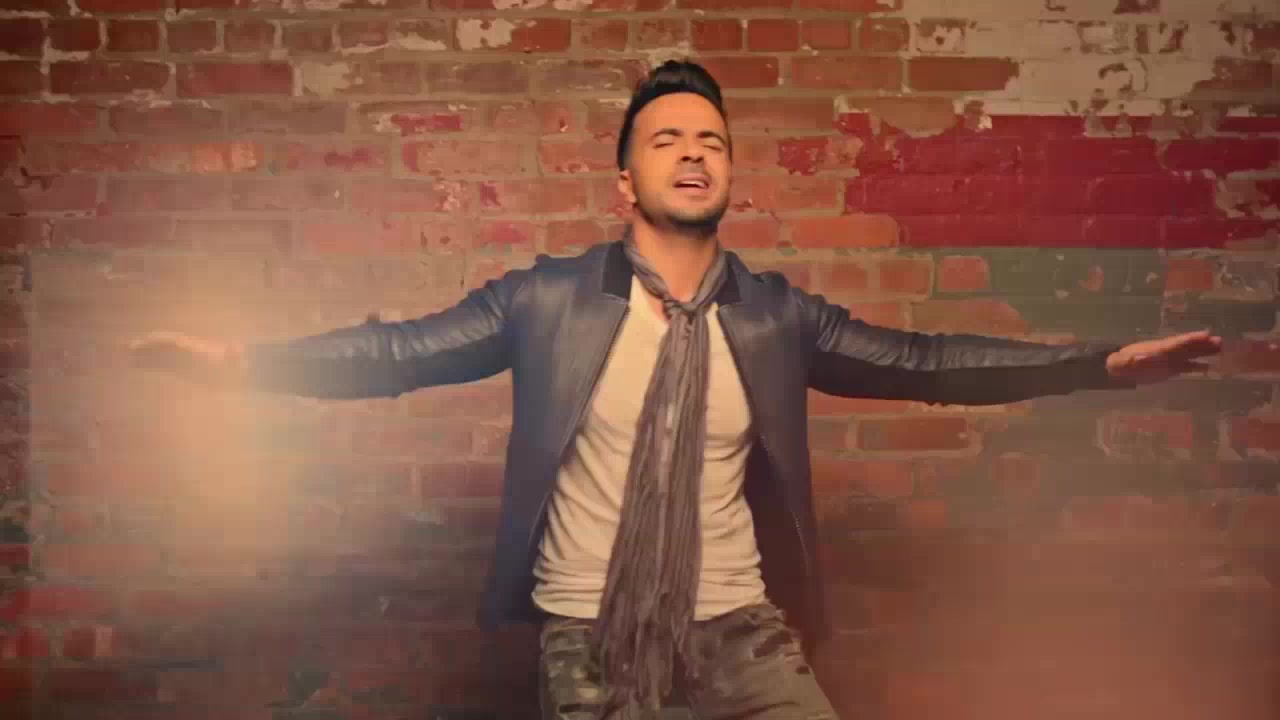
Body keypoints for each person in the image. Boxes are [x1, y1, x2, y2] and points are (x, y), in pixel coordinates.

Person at [130, 60, 1222, 719]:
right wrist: (242, 365)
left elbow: (925, 362)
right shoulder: (543, 300)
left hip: (743, 634)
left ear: (729, 172)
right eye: (666, 140)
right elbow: (397, 354)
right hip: (591, 641)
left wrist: (1094, 365)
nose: (692, 153)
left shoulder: (777, 316)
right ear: (626, 180)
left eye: (710, 141)